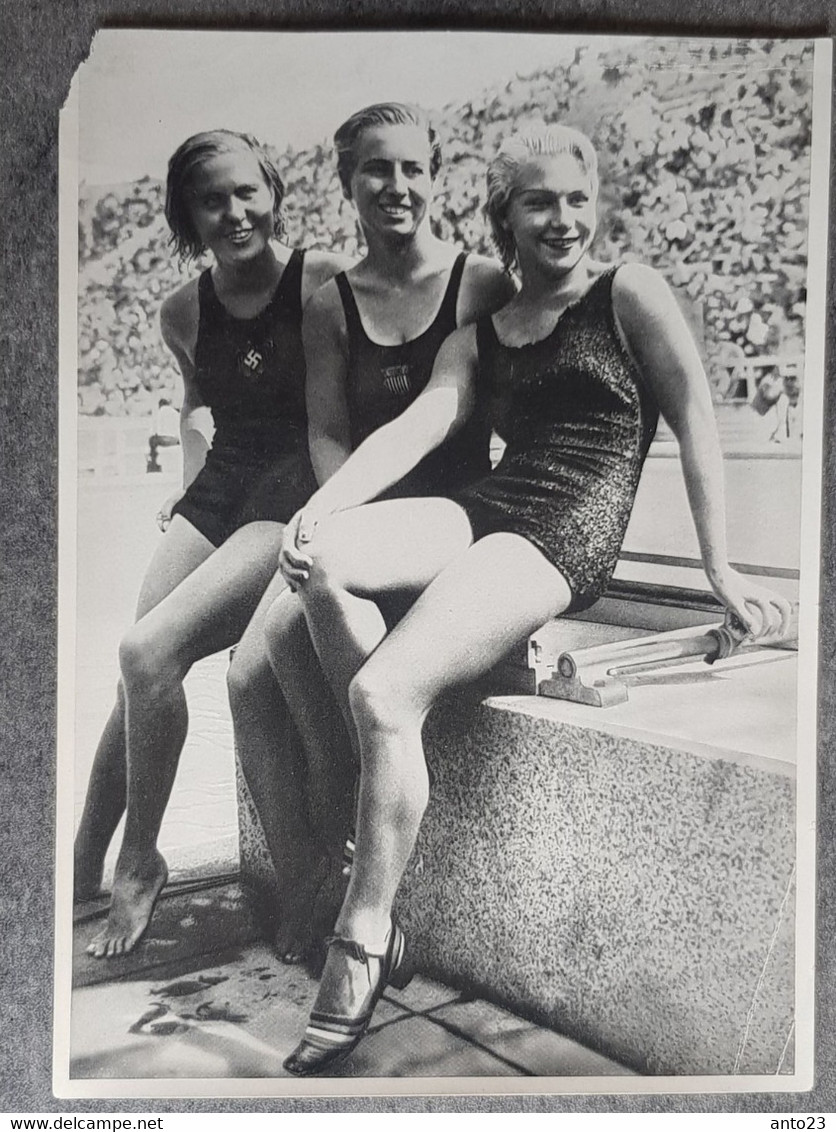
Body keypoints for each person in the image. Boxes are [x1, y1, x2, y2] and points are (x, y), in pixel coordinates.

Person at [273, 124, 794, 1074]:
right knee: (328, 558)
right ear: (502, 215)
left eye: (575, 199)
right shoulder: (480, 335)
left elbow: (695, 417)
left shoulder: (626, 293)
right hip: (493, 509)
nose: (562, 220)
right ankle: (401, 750)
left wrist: (722, 569)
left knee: (382, 693)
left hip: (567, 528)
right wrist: (318, 507)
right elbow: (420, 427)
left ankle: (370, 927)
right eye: (538, 201)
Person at [231, 102, 514, 965]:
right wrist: (337, 510)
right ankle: (311, 869)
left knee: (298, 663)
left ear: (436, 176)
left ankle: (349, 826)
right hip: (360, 515)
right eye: (376, 171)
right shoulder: (330, 303)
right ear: (347, 180)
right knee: (248, 676)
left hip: (450, 525)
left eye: (413, 170)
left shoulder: (480, 283)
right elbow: (327, 432)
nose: (397, 187)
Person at [75, 129, 352, 959]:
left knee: (147, 649)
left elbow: (350, 405)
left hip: (291, 490)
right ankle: (86, 852)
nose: (233, 213)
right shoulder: (180, 310)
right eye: (211, 200)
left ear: (272, 191)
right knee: (139, 670)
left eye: (246, 192)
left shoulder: (322, 282)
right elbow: (199, 408)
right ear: (185, 218)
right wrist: (188, 485)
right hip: (221, 486)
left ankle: (138, 858)